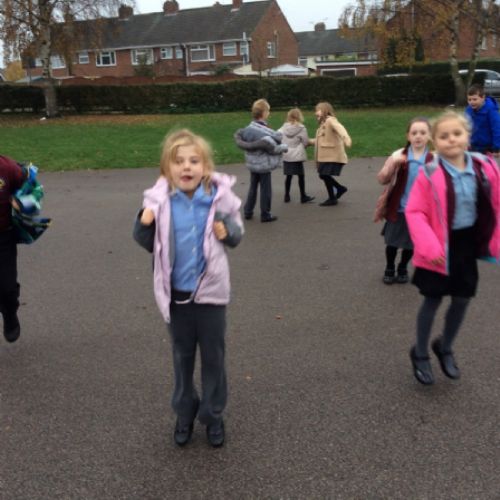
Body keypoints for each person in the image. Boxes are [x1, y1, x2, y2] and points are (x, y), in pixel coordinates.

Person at [133, 129, 243, 447]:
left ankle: (213, 414)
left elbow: (236, 235)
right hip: (177, 297)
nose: (186, 167)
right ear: (167, 169)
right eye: (178, 161)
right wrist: (144, 220)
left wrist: (227, 231)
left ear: (205, 166)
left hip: (211, 296)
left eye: (194, 161)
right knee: (182, 358)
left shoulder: (219, 199)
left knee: (213, 358)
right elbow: (145, 241)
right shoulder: (160, 202)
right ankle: (185, 412)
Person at [406, 111, 500, 385]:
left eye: (457, 134)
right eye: (444, 136)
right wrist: (429, 246)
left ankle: (445, 346)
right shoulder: (429, 173)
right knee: (432, 300)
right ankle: (420, 353)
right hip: (436, 248)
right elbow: (415, 211)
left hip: (465, 245)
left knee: (462, 299)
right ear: (435, 142)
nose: (451, 140)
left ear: (468, 137)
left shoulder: (485, 167)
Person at [375, 117, 433, 284]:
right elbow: (382, 179)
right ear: (408, 136)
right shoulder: (399, 155)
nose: (418, 136)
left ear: (429, 136)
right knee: (392, 243)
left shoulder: (433, 160)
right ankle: (389, 267)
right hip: (398, 208)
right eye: (414, 133)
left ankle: (402, 267)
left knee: (410, 244)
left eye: (423, 132)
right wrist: (393, 165)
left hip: (418, 212)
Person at [234, 98, 287, 222]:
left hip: (252, 164)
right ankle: (265, 213)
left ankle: (248, 211)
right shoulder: (264, 133)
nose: (269, 113)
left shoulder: (247, 129)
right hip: (263, 165)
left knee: (253, 187)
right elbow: (273, 149)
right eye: (268, 111)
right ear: (263, 113)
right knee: (265, 189)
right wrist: (284, 147)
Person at [0, 155, 28, 343]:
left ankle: (9, 313)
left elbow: (32, 191)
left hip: (3, 237)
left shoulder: (8, 168)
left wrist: (22, 202)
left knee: (7, 289)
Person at [312, 102, 352, 206]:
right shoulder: (323, 124)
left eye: (318, 110)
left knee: (324, 175)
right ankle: (337, 192)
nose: (316, 112)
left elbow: (341, 129)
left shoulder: (330, 120)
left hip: (332, 155)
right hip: (325, 156)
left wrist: (346, 139)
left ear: (325, 110)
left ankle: (335, 194)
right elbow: (321, 140)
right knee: (323, 175)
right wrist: (308, 142)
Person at [278, 108, 314, 204]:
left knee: (289, 176)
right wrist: (303, 146)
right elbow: (305, 142)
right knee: (301, 176)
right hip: (297, 155)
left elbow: (277, 137)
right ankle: (303, 196)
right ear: (299, 116)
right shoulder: (302, 128)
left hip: (286, 154)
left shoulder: (283, 128)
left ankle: (286, 195)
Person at [465, 84, 500, 156]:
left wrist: (496, 147)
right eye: (469, 100)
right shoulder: (468, 110)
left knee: (485, 163)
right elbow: (465, 127)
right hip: (472, 146)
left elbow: (496, 129)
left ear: (483, 98)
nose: (471, 102)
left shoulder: (491, 110)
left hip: (487, 148)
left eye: (475, 99)